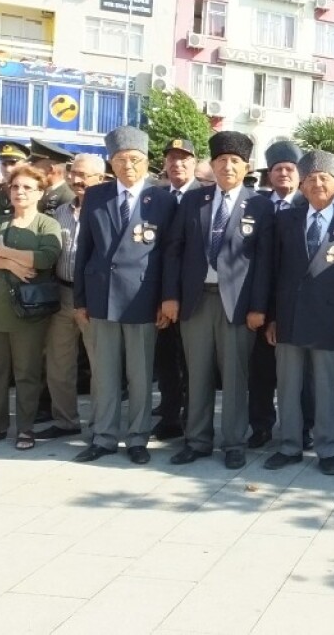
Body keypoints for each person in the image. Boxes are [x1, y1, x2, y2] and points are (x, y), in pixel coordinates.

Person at [163, 131, 272, 470]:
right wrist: (170, 296)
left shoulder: (260, 204)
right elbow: (174, 251)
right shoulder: (194, 201)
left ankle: (234, 443)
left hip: (237, 306)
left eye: (235, 161)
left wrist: (258, 307)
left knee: (237, 377)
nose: (227, 166)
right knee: (197, 374)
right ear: (211, 165)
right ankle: (196, 440)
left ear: (247, 167)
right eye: (221, 160)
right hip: (196, 302)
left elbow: (265, 262)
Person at [72, 126, 178, 465]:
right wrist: (80, 300)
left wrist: (167, 298)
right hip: (101, 297)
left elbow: (168, 254)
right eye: (120, 160)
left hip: (142, 299)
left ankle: (137, 438)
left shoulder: (163, 199)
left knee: (140, 374)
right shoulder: (96, 196)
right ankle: (103, 437)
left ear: (147, 162)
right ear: (110, 163)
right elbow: (83, 250)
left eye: (135, 159)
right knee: (104, 374)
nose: (128, 166)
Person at [265, 149, 334, 474]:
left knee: (327, 388)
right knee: (288, 386)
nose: (318, 184)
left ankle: (327, 449)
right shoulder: (285, 220)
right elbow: (273, 271)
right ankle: (290, 445)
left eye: (325, 178)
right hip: (290, 316)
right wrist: (272, 317)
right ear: (302, 185)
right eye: (311, 179)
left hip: (331, 319)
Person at [0, 165, 62, 449]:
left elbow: (46, 258)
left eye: (27, 188)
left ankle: (25, 428)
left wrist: (4, 251)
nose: (20, 192)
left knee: (27, 373)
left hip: (28, 314)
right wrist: (10, 263)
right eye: (15, 187)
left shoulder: (47, 224)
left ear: (39, 193)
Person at [36, 153, 106, 440]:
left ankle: (101, 423)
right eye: (74, 173)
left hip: (94, 298)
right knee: (58, 363)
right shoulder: (60, 212)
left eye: (85, 176)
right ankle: (65, 421)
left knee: (100, 364)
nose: (78, 180)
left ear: (101, 179)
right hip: (63, 294)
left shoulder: (107, 209)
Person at [246, 141, 306, 449]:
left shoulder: (309, 205)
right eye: (277, 169)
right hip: (258, 300)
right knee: (261, 370)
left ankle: (302, 427)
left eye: (289, 169)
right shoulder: (256, 204)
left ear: (299, 174)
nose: (283, 174)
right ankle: (260, 425)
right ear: (269, 174)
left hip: (297, 305)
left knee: (300, 374)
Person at [152, 137, 201, 442]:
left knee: (194, 364)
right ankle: (170, 416)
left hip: (196, 296)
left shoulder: (206, 197)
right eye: (171, 159)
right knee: (167, 361)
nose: (177, 164)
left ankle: (193, 419)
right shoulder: (153, 197)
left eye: (184, 159)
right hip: (160, 293)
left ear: (195, 163)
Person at [28, 139, 76, 215]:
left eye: (34, 166)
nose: (30, 170)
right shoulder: (42, 191)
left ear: (50, 169)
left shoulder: (68, 198)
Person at [0, 140, 30, 218]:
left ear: (26, 165)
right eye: (4, 164)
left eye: (13, 163)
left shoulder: (34, 192)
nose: (8, 169)